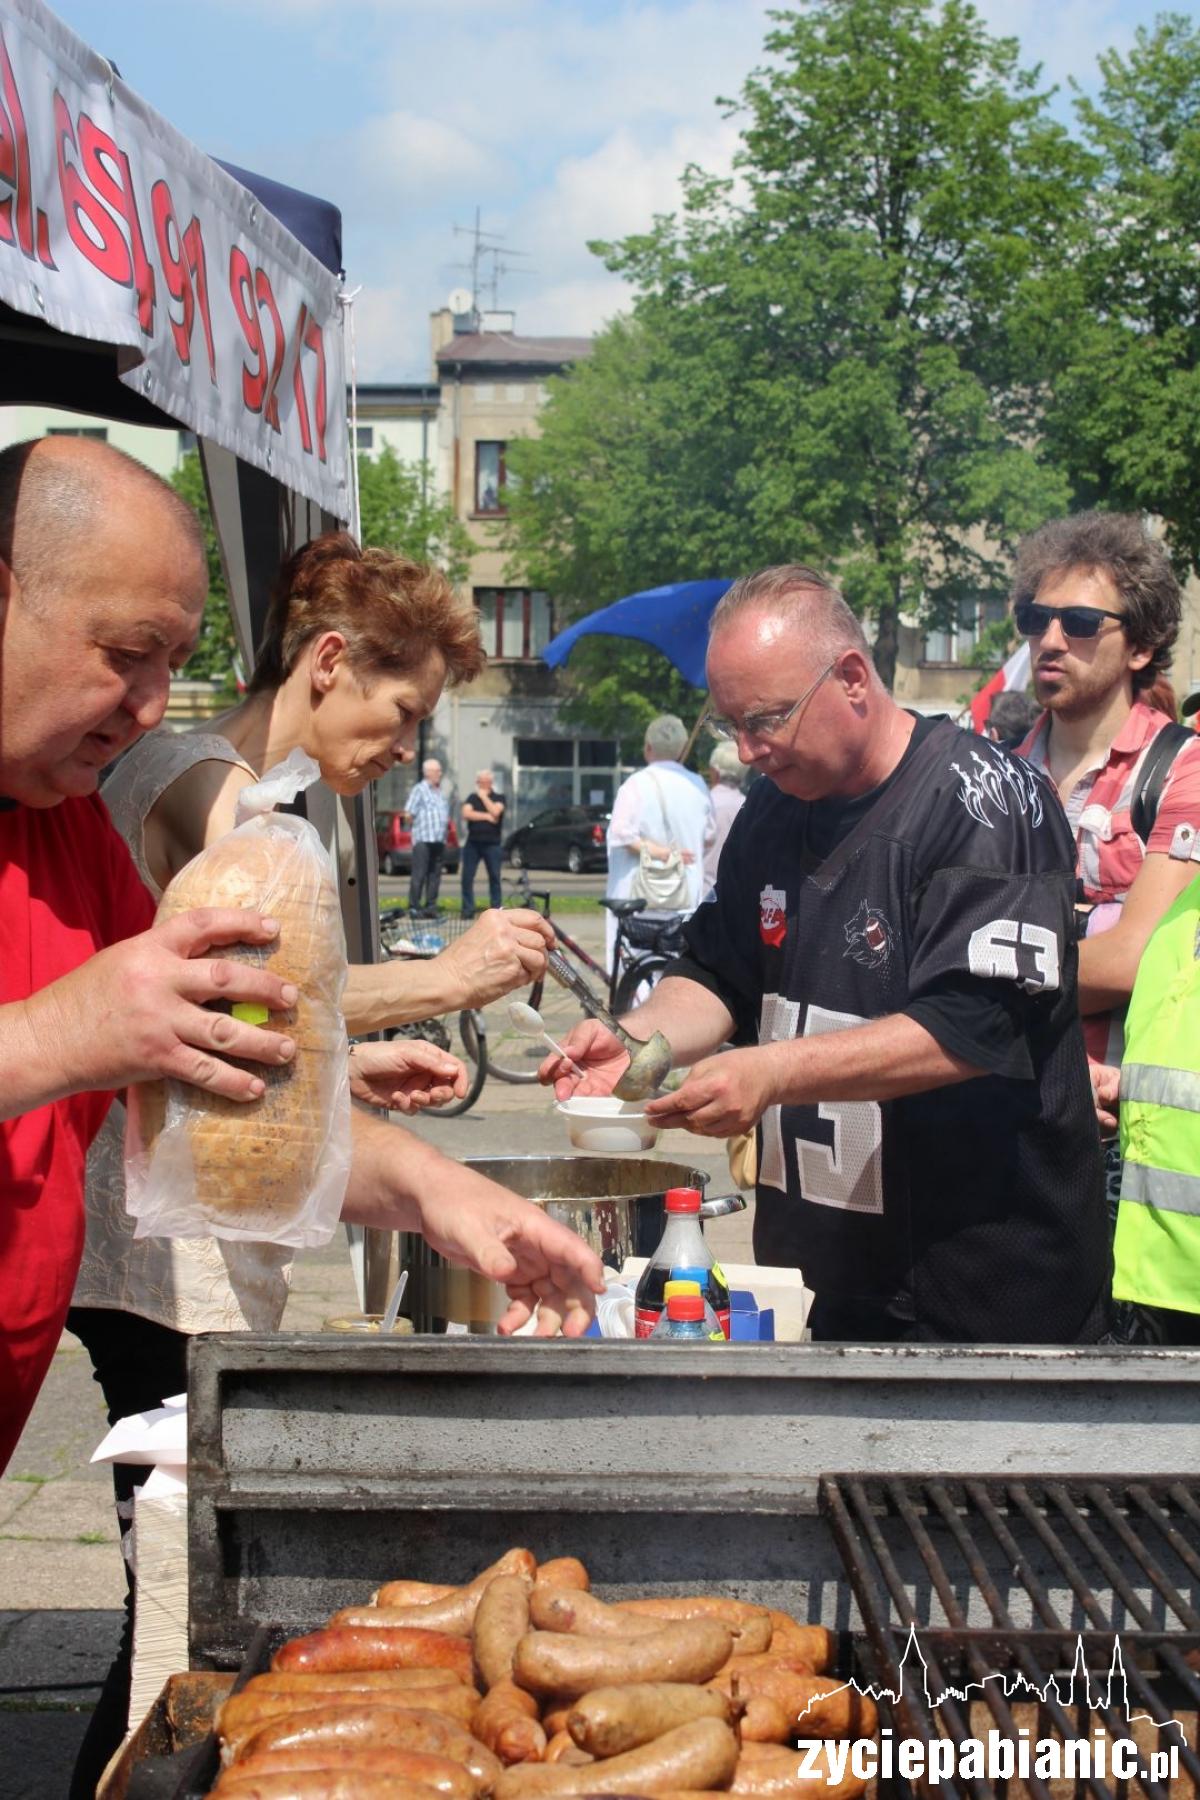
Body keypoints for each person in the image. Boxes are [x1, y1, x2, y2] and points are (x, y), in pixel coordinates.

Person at [62, 530, 598, 1793]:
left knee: (181, 1591)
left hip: (193, 1235)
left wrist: (336, 1069)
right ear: (330, 660)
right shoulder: (197, 777)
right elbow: (250, 963)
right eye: (402, 711)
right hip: (153, 1256)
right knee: (176, 1607)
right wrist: (444, 980)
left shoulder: (266, 799)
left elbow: (244, 1017)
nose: (406, 746)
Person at [543, 564, 1110, 1345]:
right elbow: (718, 971)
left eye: (766, 720)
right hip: (826, 1283)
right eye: (730, 725)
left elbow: (973, 1026)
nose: (748, 751)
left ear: (850, 678)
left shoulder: (983, 800)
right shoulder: (774, 806)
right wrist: (640, 1042)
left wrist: (769, 1072)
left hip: (982, 1290)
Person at [1012, 513, 1200, 1075]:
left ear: (1139, 647)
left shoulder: (1183, 768)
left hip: (1118, 1114)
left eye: (1081, 623)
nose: (1050, 641)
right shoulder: (995, 776)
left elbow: (1134, 959)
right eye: (1035, 619)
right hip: (1002, 1101)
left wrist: (976, 977)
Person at [604, 715, 715, 970]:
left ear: (648, 747)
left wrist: (662, 852)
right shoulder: (697, 784)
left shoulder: (636, 784)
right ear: (682, 749)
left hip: (639, 895)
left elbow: (621, 833)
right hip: (685, 893)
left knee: (636, 965)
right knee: (676, 964)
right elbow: (709, 836)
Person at [404, 756, 450, 915]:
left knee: (435, 875)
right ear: (428, 772)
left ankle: (431, 906)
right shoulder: (420, 789)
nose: (440, 773)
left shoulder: (440, 792)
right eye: (437, 771)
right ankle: (414, 907)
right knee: (420, 873)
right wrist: (416, 826)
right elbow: (408, 813)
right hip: (423, 839)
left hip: (438, 839)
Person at [703, 739, 747, 891]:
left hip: (703, 891)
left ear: (714, 772)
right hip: (738, 891)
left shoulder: (703, 804)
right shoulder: (749, 806)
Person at [461, 768, 506, 913]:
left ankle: (496, 909)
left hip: (492, 843)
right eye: (480, 781)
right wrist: (486, 816)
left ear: (490, 782)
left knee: (494, 877)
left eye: (484, 781)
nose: (481, 784)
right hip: (473, 842)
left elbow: (496, 812)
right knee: (467, 877)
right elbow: (466, 813)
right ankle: (468, 909)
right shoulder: (472, 798)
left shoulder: (499, 797)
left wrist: (484, 798)